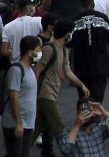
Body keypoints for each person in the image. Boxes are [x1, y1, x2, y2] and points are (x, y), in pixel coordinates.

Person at [35, 18, 88, 157]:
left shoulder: (63, 50)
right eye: (70, 32)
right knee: (59, 128)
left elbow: (68, 71)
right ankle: (69, 152)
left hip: (52, 94)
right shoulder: (49, 48)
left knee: (37, 127)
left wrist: (81, 85)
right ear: (66, 33)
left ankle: (18, 150)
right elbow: (38, 71)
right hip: (45, 95)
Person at [4, 35, 41, 157]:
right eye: (37, 50)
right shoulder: (16, 70)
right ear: (30, 52)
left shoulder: (31, 69)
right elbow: (14, 97)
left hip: (28, 124)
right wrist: (19, 123)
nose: (39, 53)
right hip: (16, 124)